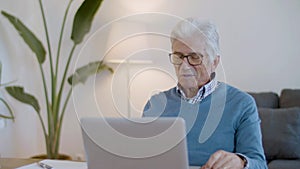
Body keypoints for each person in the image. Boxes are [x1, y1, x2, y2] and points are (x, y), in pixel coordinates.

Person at [143, 18, 267, 169]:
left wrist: (241, 162)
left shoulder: (242, 104)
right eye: (178, 57)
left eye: (194, 57)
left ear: (214, 62)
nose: (185, 65)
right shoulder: (155, 103)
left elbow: (260, 164)